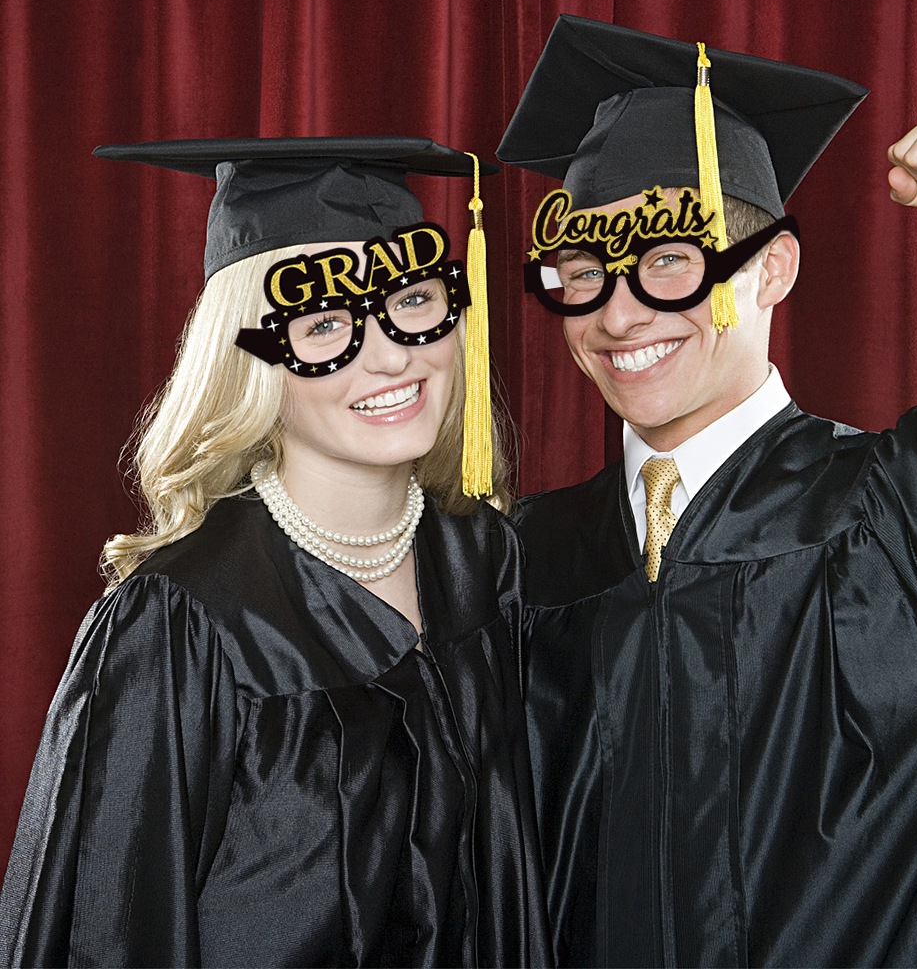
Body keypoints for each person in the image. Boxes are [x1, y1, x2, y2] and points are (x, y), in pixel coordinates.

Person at [497, 14, 917, 967]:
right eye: (583, 271)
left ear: (774, 268)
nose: (618, 311)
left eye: (669, 261)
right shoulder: (525, 562)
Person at [0, 137, 551, 967]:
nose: (391, 353)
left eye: (410, 303)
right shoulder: (183, 621)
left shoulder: (489, 565)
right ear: (249, 360)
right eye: (326, 324)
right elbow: (111, 928)